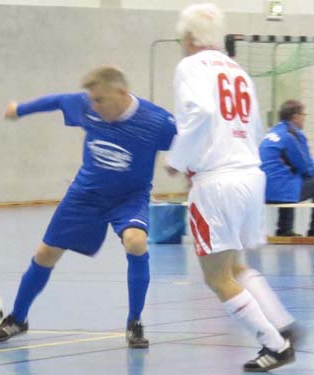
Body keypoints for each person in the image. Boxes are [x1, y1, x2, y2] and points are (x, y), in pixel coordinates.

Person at [0, 66, 177, 348]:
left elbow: (189, 137)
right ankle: (18, 318)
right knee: (45, 252)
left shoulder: (156, 120)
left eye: (101, 100)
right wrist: (19, 109)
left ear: (122, 93)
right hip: (86, 194)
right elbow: (57, 101)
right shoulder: (87, 106)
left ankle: (134, 322)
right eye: (92, 100)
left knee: (136, 242)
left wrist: (183, 164)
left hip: (129, 197)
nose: (94, 106)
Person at [166, 3, 296, 372]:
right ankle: (282, 324)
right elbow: (254, 125)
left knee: (216, 276)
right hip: (251, 174)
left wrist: (179, 160)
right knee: (237, 265)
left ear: (189, 37)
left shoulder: (190, 66)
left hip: (218, 181)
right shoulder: (237, 69)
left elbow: (201, 113)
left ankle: (274, 344)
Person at [260, 100, 314, 236]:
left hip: (262, 190)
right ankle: (312, 231)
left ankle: (284, 229)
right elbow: (305, 166)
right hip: (280, 191)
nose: (304, 119)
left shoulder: (271, 133)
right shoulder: (292, 134)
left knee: (287, 175)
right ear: (295, 117)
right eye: (303, 115)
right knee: (293, 178)